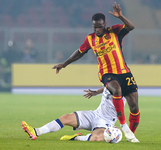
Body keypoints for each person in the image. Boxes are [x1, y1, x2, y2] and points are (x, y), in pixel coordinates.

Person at [52, 2, 140, 137]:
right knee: (116, 90)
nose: (97, 30)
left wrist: (121, 16)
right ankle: (123, 125)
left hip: (124, 71)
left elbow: (131, 27)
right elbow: (80, 52)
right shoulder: (90, 39)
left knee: (134, 106)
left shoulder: (115, 31)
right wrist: (64, 64)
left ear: (104, 24)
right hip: (107, 73)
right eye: (95, 27)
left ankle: (130, 135)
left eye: (99, 27)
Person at [21, 87, 139, 142]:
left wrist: (129, 130)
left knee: (96, 138)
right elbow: (107, 87)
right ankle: (37, 131)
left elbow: (133, 107)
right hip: (95, 114)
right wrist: (96, 92)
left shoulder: (127, 88)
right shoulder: (111, 80)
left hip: (106, 122)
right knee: (65, 118)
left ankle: (76, 137)